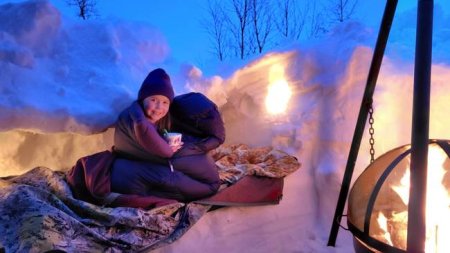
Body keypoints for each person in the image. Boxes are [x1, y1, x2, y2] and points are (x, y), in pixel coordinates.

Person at [110, 68, 221, 203]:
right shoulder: (137, 120)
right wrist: (174, 149)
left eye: (165, 102)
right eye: (154, 99)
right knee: (209, 185)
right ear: (143, 98)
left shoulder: (142, 117)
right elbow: (164, 151)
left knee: (201, 178)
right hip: (129, 175)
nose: (158, 107)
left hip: (130, 168)